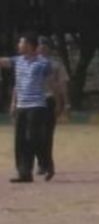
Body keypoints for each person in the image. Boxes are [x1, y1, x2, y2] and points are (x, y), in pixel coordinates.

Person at [3, 34, 54, 183]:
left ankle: (46, 163)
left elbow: (50, 78)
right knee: (20, 140)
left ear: (30, 45)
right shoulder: (17, 61)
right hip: (22, 106)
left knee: (33, 137)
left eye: (21, 42)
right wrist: (13, 103)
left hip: (37, 105)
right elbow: (3, 62)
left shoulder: (43, 63)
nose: (19, 45)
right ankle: (24, 173)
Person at [36, 37, 67, 178]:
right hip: (33, 101)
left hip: (49, 100)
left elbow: (62, 84)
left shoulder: (55, 65)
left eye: (44, 46)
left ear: (49, 48)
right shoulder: (30, 63)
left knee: (46, 135)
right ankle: (41, 162)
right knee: (34, 135)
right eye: (39, 46)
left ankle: (47, 164)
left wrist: (64, 102)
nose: (41, 48)